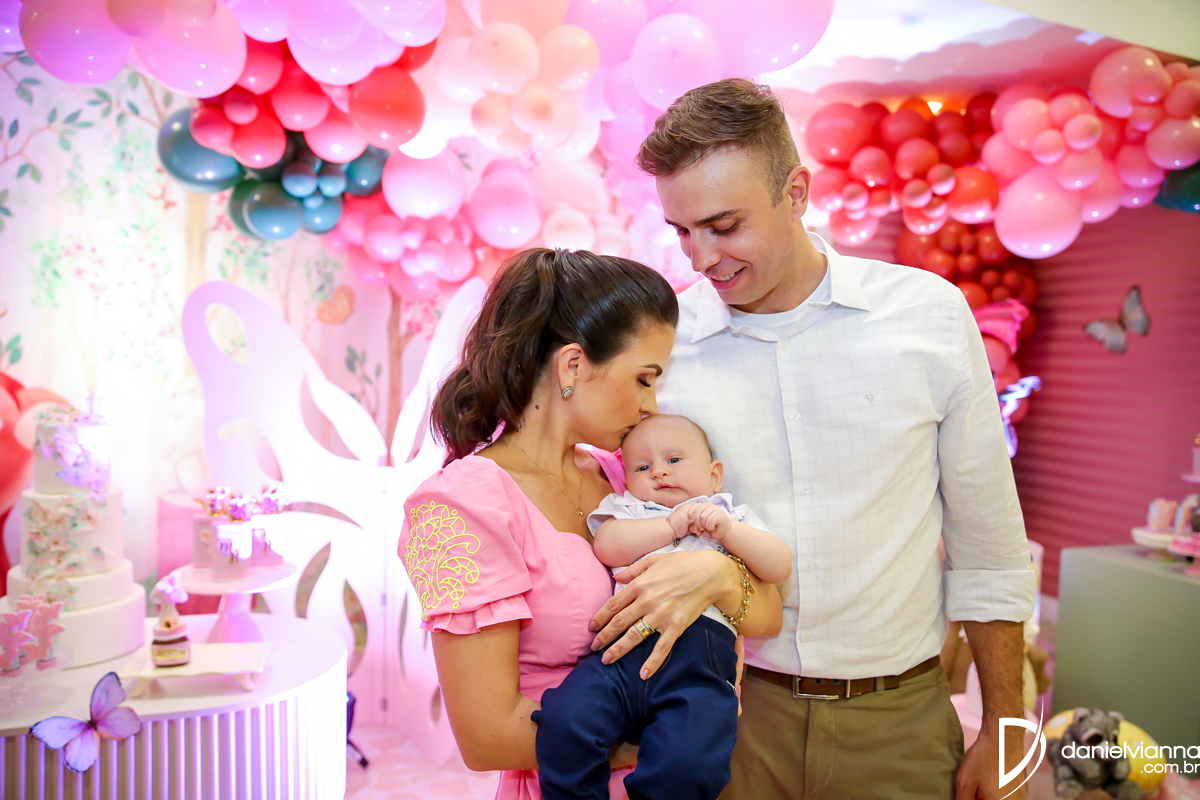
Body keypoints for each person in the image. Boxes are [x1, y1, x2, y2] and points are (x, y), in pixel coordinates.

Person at [626, 78, 1038, 800]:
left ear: (796, 192)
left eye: (724, 226)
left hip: (898, 720)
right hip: (720, 711)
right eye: (682, 231)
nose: (700, 257)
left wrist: (1007, 727)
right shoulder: (665, 346)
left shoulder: (930, 316)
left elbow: (987, 540)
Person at [397, 248, 784, 800]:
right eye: (644, 379)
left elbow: (767, 613)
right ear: (573, 366)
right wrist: (672, 746)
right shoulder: (461, 505)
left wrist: (719, 577)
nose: (651, 407)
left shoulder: (627, 473)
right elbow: (486, 738)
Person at [533, 413, 792, 800]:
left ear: (715, 475)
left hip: (700, 663)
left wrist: (729, 532)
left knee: (692, 760)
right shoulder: (629, 509)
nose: (658, 472)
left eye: (674, 460)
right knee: (564, 718)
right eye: (642, 467)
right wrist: (671, 525)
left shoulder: (728, 513)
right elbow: (607, 546)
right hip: (620, 656)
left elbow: (779, 566)